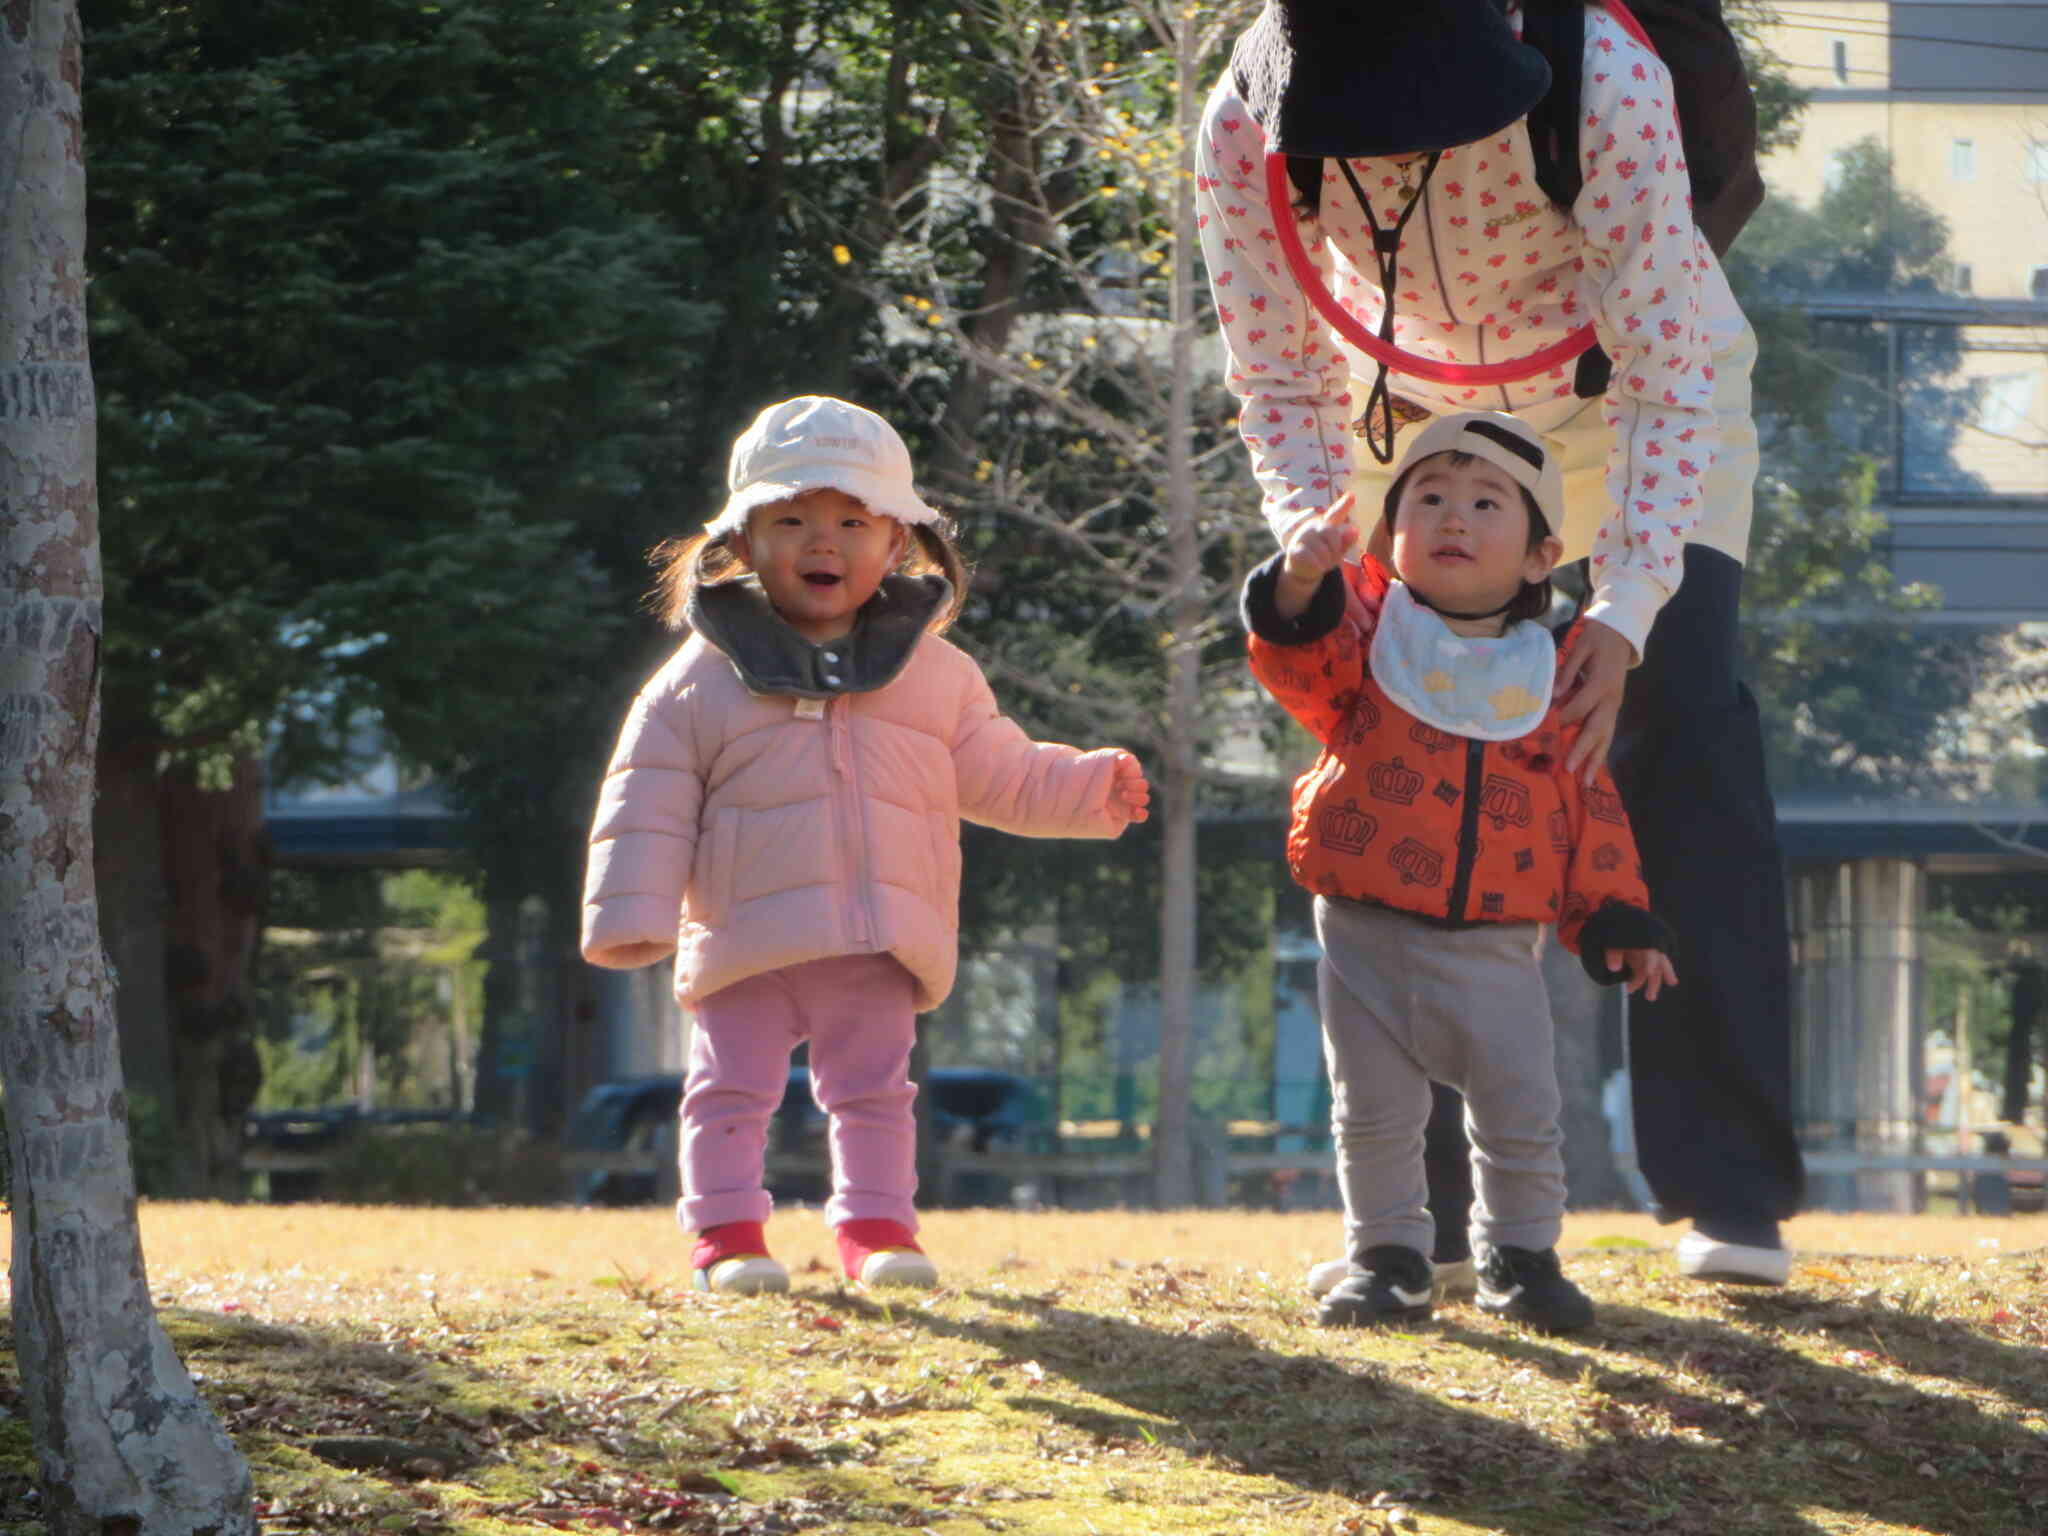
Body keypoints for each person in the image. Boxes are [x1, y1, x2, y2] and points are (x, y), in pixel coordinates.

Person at [1198, 0, 1803, 1286]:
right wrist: (1313, 547)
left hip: (1624, 390)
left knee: (1675, 723)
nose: (1394, 149)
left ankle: (1728, 1191)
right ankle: (1418, 1224)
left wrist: (1626, 612)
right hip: (1403, 413)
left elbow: (1668, 368)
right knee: (1401, 746)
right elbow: (1277, 378)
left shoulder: (1602, 81)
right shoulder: (1245, 121)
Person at [580, 395, 1151, 1293]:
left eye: (854, 521)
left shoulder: (934, 673)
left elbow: (997, 770)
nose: (824, 542)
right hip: (745, 938)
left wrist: (1084, 787)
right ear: (743, 543)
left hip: (875, 935)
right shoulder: (700, 680)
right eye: (793, 521)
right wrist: (631, 915)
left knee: (877, 1096)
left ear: (897, 546)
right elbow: (645, 797)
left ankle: (879, 1232)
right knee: (729, 1093)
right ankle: (727, 1238)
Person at [1242, 410, 1676, 1333]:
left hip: (1499, 949)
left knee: (1521, 1112)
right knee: (1374, 1114)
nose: (1454, 519)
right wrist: (1303, 580)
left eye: (1487, 503)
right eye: (1428, 499)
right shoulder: (1368, 640)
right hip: (1362, 929)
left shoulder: (1555, 675)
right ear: (1391, 536)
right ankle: (1389, 1257)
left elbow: (1588, 808)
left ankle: (1520, 1257)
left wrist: (1617, 916)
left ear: (1537, 555)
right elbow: (1295, 663)